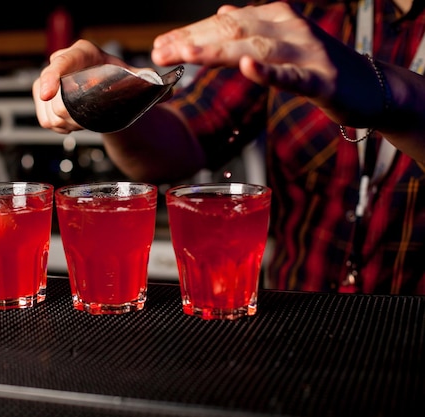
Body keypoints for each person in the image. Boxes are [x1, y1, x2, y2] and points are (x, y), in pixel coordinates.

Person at [33, 0, 425, 295]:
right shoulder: (299, 13)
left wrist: (388, 93)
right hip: (298, 324)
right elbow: (180, 142)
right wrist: (116, 97)